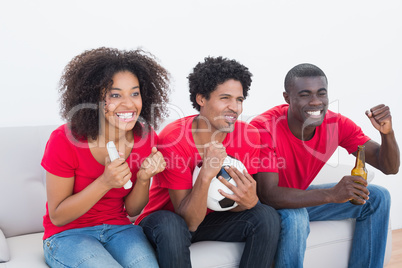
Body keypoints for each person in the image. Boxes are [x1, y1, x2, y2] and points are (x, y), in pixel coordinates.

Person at [135, 56, 280, 268]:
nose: (235, 108)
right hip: (167, 221)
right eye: (225, 98)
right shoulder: (174, 138)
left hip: (212, 220)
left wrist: (248, 202)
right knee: (172, 224)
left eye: (239, 100)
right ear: (201, 99)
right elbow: (189, 222)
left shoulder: (249, 135)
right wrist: (205, 175)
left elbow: (236, 203)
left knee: (266, 215)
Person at [250, 63, 400, 268]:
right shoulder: (263, 127)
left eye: (321, 94)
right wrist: (331, 194)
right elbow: (268, 194)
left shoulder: (336, 124)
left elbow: (389, 167)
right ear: (287, 98)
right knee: (296, 216)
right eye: (305, 95)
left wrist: (387, 134)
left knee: (378, 197)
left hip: (298, 195)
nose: (315, 102)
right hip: (262, 208)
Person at [41, 47, 170, 267]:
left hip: (119, 229)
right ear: (94, 99)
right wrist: (105, 182)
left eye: (135, 93)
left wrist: (143, 178)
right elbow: (58, 217)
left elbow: (132, 210)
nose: (128, 104)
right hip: (68, 234)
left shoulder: (145, 137)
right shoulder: (64, 139)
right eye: (115, 94)